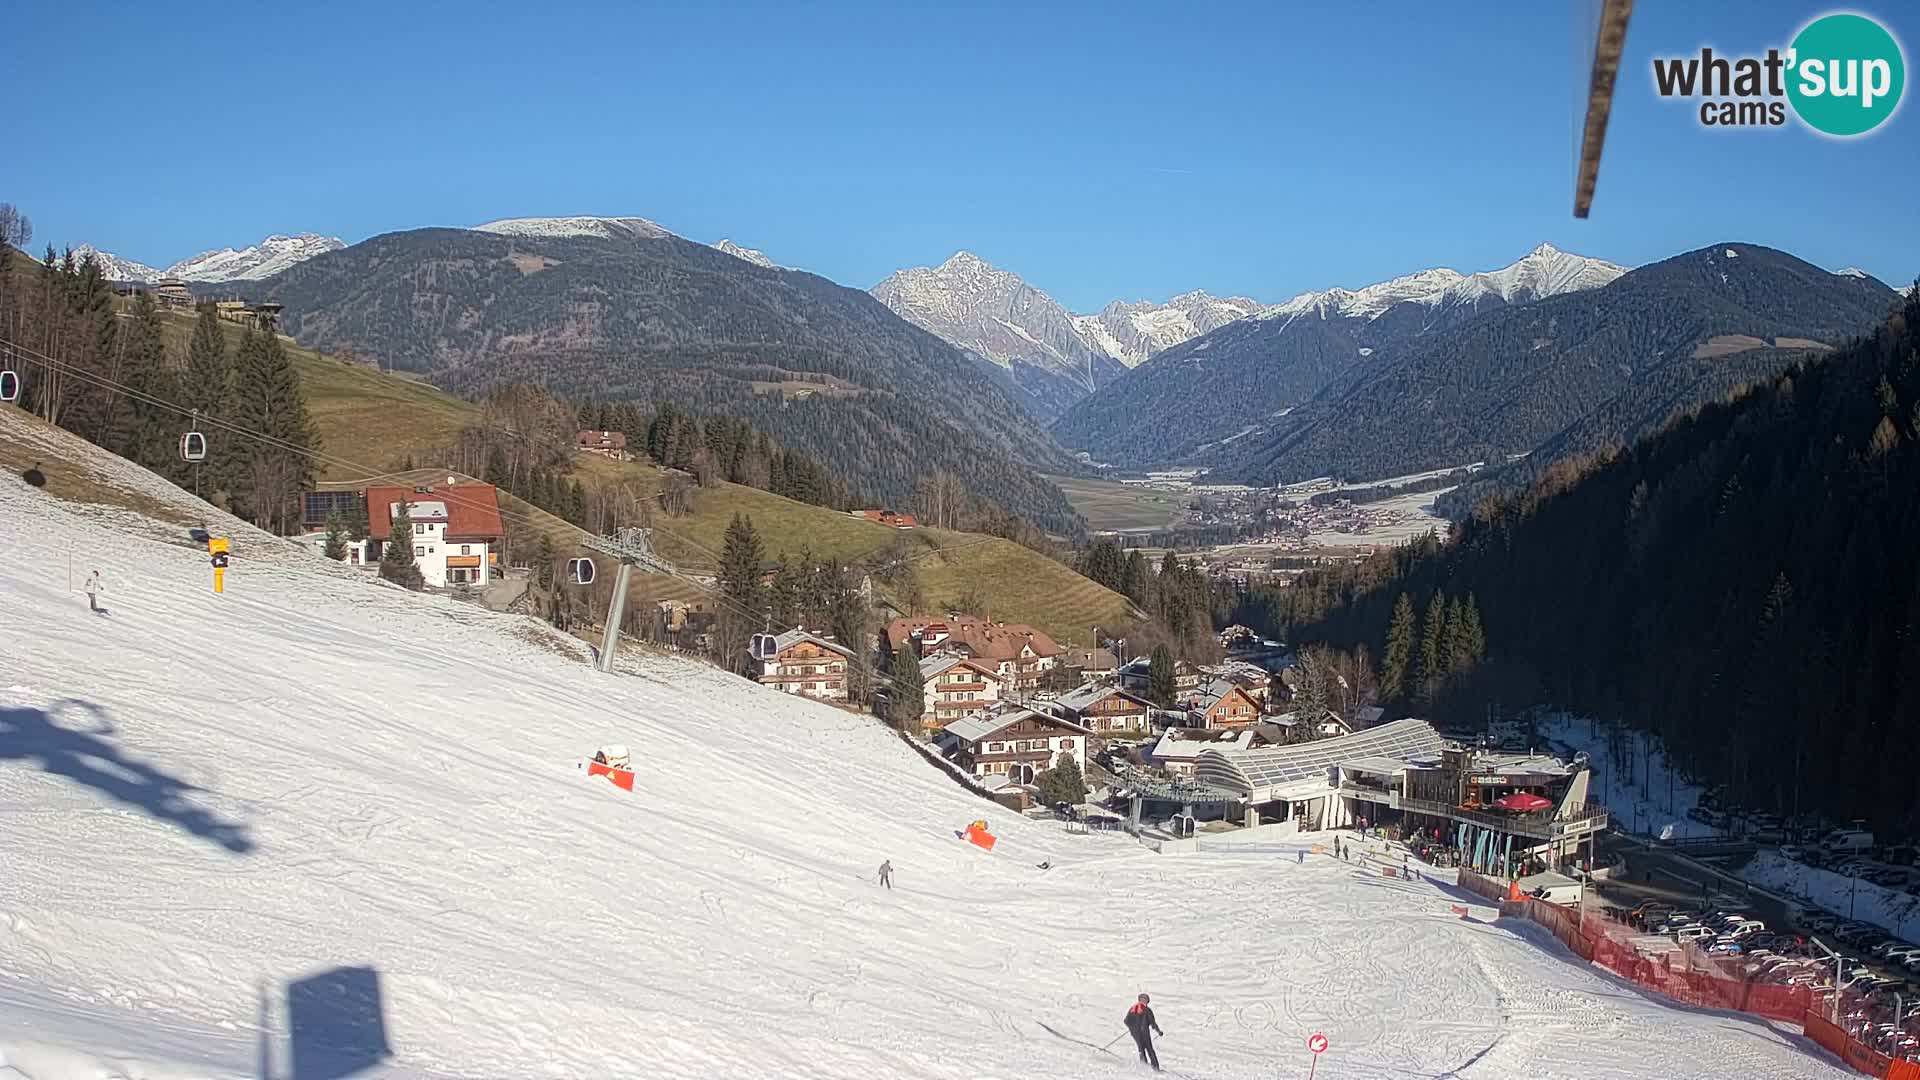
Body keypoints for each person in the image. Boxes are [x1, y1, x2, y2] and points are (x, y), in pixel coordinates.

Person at [1124, 992, 1163, 1071]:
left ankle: (1143, 1065)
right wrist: (1158, 1031)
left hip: (1135, 1033)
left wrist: (1132, 1028)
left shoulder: (1133, 1008)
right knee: (1149, 1048)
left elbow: (1126, 1021)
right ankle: (1155, 1067)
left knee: (1141, 1048)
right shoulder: (1147, 1010)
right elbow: (1152, 1023)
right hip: (1144, 1032)